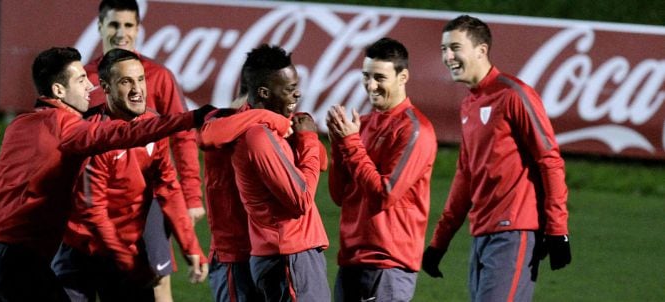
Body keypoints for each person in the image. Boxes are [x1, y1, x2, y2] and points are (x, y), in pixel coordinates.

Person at [0, 47, 214, 302]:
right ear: (58, 90)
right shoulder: (71, 129)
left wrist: (188, 244)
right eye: (81, 80)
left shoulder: (18, 124)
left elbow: (166, 183)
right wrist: (194, 117)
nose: (89, 86)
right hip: (24, 260)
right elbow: (124, 134)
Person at [422, 15, 572, 302]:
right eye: (444, 49)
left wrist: (557, 230)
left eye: (455, 48)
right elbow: (466, 175)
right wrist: (439, 242)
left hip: (514, 232)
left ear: (481, 50)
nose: (447, 57)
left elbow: (549, 160)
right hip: (481, 234)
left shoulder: (513, 95)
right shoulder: (469, 103)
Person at [50, 49, 207, 301]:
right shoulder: (92, 137)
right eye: (126, 82)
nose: (137, 90)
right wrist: (129, 262)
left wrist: (190, 246)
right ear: (105, 87)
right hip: (82, 250)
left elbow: (167, 185)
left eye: (140, 79)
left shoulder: (152, 126)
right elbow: (94, 212)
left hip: (126, 248)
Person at [86, 1, 207, 299]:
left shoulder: (159, 75)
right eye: (114, 24)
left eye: (128, 25)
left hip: (146, 197)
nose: (121, 32)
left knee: (156, 277)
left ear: (139, 29)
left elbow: (183, 136)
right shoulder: (83, 79)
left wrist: (192, 195)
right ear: (100, 26)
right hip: (94, 196)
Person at [200, 44, 330, 302]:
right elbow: (207, 136)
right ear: (259, 92)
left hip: (261, 248)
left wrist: (301, 133)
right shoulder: (230, 125)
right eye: (290, 88)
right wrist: (279, 122)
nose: (297, 94)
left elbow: (322, 160)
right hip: (240, 253)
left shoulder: (270, 128)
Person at [325, 37, 437, 302]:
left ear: (403, 77)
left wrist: (350, 144)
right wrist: (338, 147)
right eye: (366, 76)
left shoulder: (414, 130)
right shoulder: (362, 125)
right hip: (351, 258)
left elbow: (384, 194)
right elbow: (340, 195)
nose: (371, 85)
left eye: (380, 77)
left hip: (388, 263)